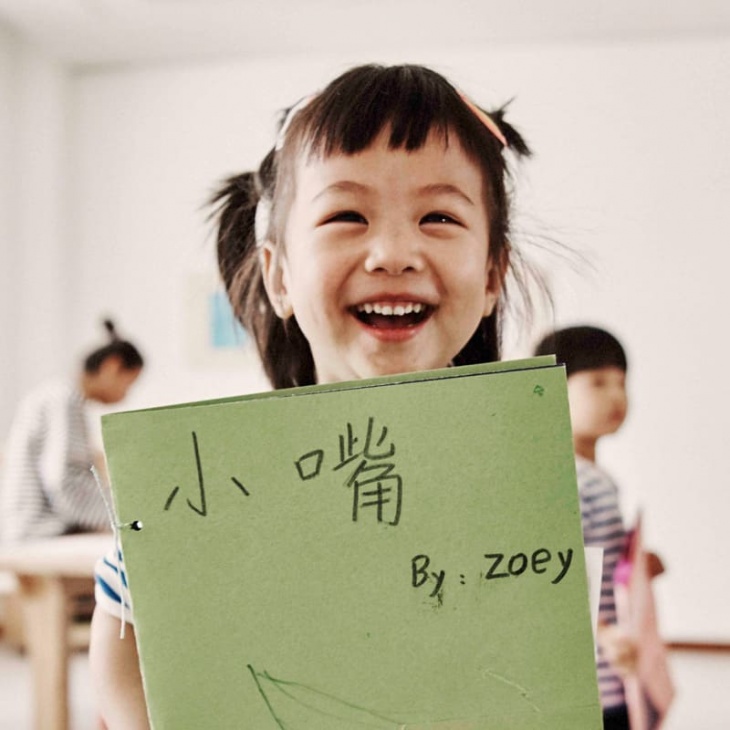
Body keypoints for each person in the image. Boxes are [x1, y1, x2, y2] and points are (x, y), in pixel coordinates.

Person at [90, 63, 537, 729]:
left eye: (439, 216)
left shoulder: (530, 486)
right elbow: (123, 647)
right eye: (346, 215)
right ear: (280, 277)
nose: (393, 252)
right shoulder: (208, 486)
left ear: (493, 272)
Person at [534, 325, 638, 730]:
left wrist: (638, 563)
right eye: (597, 383)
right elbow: (555, 577)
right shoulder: (569, 480)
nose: (616, 396)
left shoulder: (598, 478)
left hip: (614, 675)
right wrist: (605, 634)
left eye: (621, 382)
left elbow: (597, 556)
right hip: (590, 681)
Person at [0, 319, 144, 544]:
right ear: (112, 367)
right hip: (41, 531)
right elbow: (63, 480)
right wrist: (124, 517)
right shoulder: (63, 399)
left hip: (33, 527)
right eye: (129, 384)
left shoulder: (55, 395)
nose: (126, 395)